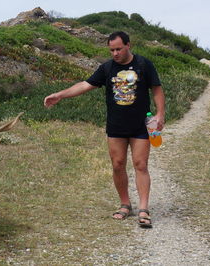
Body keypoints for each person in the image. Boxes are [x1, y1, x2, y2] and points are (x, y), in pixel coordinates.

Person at [43, 31, 165, 228]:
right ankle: (125, 204)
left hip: (141, 125)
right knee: (117, 164)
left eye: (118, 49)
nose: (115, 53)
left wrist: (160, 115)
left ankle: (144, 208)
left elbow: (157, 89)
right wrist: (60, 95)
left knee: (140, 164)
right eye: (112, 50)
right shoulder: (107, 68)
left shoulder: (144, 64)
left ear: (128, 45)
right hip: (116, 125)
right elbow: (85, 84)